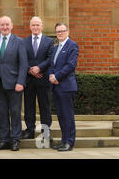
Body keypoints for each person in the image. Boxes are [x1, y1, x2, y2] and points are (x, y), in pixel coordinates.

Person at [0, 16, 27, 151]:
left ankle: (15, 140)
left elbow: (23, 64)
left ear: (11, 26)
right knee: (1, 113)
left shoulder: (19, 42)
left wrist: (21, 81)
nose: (4, 27)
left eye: (7, 25)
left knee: (15, 112)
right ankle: (4, 139)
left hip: (14, 84)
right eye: (2, 25)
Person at [22, 17, 54, 139]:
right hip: (29, 79)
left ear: (42, 26)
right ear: (30, 27)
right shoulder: (24, 42)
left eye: (37, 25)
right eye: (33, 25)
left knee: (44, 105)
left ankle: (46, 131)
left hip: (43, 78)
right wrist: (31, 69)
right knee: (29, 105)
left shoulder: (49, 41)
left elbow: (50, 58)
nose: (35, 27)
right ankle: (30, 130)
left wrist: (39, 68)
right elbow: (22, 58)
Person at [49, 23, 79, 152]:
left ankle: (69, 142)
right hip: (56, 87)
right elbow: (52, 65)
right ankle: (63, 140)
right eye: (58, 31)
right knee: (61, 116)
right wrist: (51, 75)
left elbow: (70, 65)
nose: (60, 33)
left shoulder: (72, 46)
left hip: (66, 86)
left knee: (68, 115)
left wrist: (57, 77)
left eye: (62, 31)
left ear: (68, 31)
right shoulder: (56, 48)